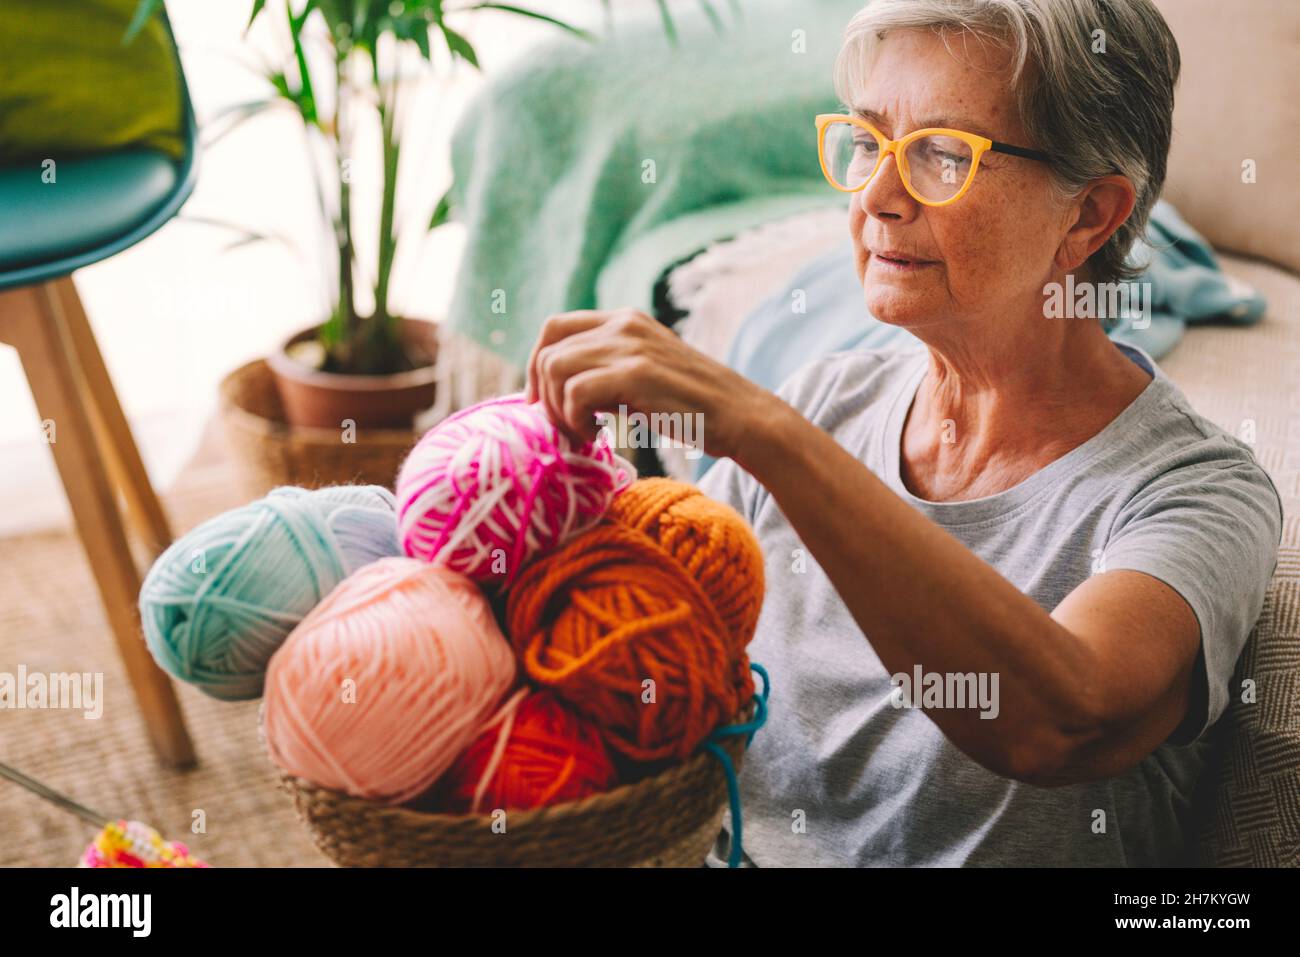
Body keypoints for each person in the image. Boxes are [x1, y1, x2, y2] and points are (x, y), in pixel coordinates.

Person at [525, 0, 1283, 866]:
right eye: (867, 140)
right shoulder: (825, 400)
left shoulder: (1198, 490)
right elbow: (641, 653)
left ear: (1088, 217)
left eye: (943, 154)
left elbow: (1063, 721)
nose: (877, 198)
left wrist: (765, 431)